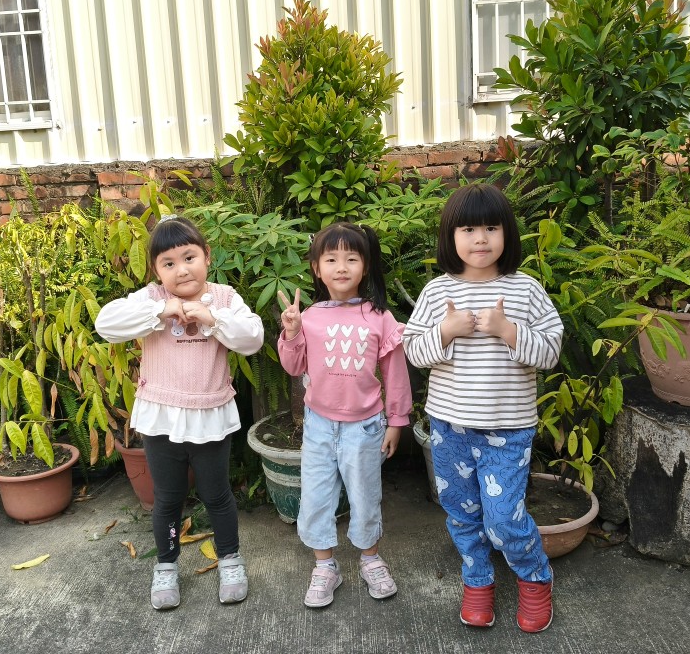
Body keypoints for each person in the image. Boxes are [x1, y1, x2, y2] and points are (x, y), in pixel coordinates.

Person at [402, 183, 563, 633]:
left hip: (508, 429)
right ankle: (477, 579)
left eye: (491, 228)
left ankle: (534, 577)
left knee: (504, 516)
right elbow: (413, 351)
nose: (480, 239)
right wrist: (446, 331)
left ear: (507, 233)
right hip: (449, 427)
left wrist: (508, 331)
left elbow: (551, 351)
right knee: (461, 512)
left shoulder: (526, 290)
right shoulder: (437, 292)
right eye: (468, 229)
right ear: (450, 236)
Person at [95, 215, 264, 611]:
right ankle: (166, 565)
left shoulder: (224, 298)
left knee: (217, 495)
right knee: (168, 499)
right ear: (157, 270)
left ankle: (230, 560)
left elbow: (252, 338)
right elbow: (106, 324)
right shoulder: (152, 298)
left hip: (210, 415)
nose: (181, 269)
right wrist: (162, 310)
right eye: (168, 263)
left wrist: (211, 318)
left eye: (189, 258)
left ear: (207, 256)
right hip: (162, 417)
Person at [277, 222, 413, 609]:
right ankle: (325, 567)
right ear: (316, 269)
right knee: (316, 497)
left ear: (365, 266)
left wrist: (397, 421)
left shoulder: (380, 317)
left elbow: (395, 374)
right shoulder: (309, 317)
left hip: (365, 427)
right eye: (331, 259)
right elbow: (293, 366)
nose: (341, 267)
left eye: (351, 258)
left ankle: (370, 559)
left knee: (365, 496)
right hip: (318, 426)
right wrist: (292, 332)